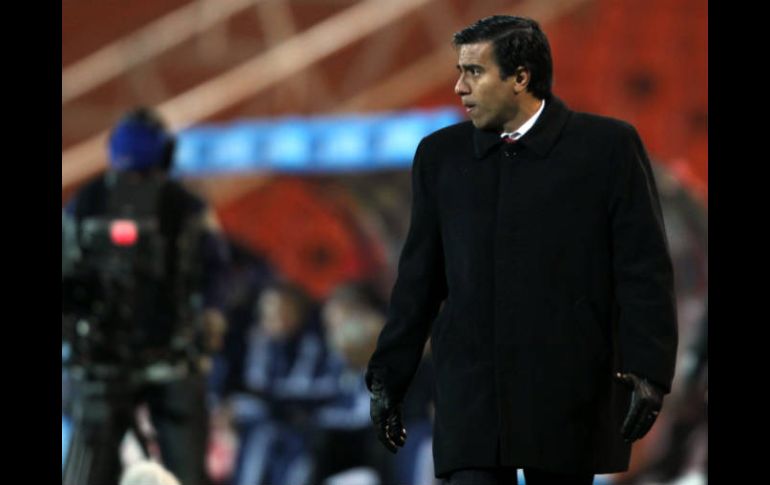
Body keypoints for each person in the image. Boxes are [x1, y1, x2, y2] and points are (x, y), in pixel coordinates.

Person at [365, 15, 678, 485]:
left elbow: (642, 269)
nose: (458, 86)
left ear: (520, 78)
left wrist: (649, 368)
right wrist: (389, 375)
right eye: (459, 70)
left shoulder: (606, 148)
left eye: (474, 71)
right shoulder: (440, 156)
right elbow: (419, 279)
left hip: (567, 391)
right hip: (471, 394)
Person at [62, 107, 229, 485]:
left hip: (160, 358)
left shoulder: (86, 204)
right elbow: (217, 270)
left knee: (178, 468)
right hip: (121, 360)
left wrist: (210, 318)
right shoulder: (89, 205)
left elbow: (215, 270)